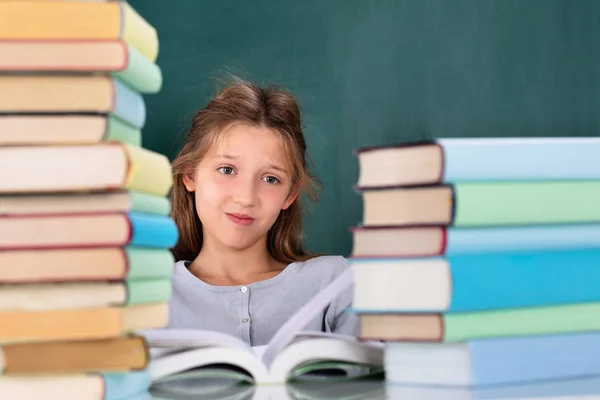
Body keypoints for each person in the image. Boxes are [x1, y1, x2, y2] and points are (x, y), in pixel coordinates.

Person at [167, 77, 357, 346]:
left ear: (290, 194)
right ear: (190, 175)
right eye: (227, 170)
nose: (246, 197)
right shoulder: (149, 295)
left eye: (270, 179)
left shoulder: (335, 283)